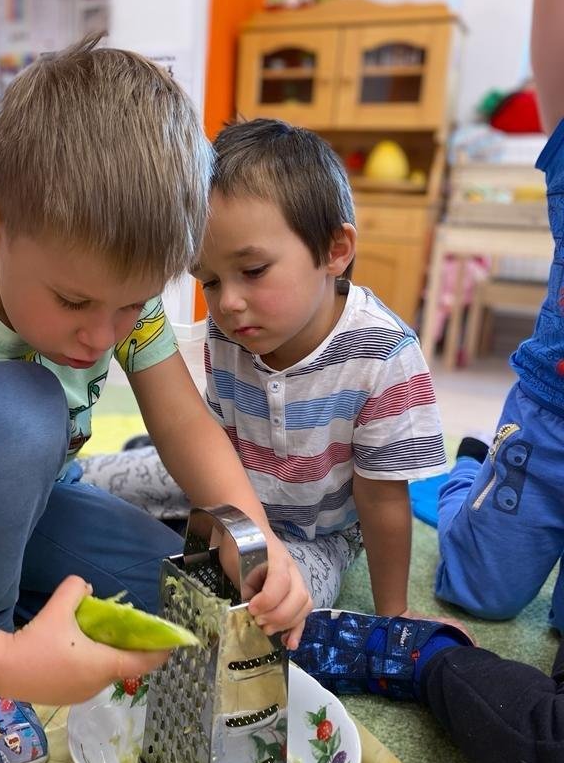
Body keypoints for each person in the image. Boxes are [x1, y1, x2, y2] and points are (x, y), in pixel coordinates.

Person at [0, 36, 310, 763]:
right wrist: (2, 659)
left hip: (36, 492)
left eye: (132, 306)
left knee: (176, 598)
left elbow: (182, 422)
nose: (102, 336)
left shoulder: (111, 286)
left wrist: (255, 536)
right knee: (21, 407)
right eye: (74, 302)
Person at [295, 0, 564, 763]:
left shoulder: (380, 348)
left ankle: (461, 476)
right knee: (476, 588)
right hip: (553, 424)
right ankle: (465, 477)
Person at [81, 118, 447, 615]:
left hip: (316, 534)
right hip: (229, 486)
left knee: (273, 609)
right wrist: (215, 529)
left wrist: (393, 614)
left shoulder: (383, 354)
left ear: (335, 251)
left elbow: (383, 502)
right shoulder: (230, 329)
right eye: (209, 281)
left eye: (253, 271)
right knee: (81, 482)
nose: (228, 302)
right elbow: (212, 444)